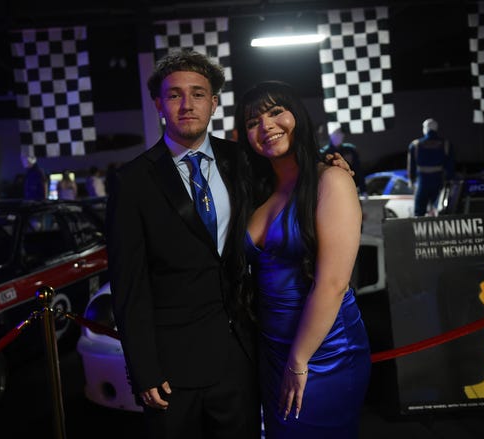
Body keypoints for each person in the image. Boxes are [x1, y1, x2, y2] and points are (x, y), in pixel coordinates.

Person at [105, 49, 352, 439]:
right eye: (174, 95)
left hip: (243, 357)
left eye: (199, 93)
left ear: (214, 103)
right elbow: (128, 283)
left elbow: (293, 178)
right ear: (158, 103)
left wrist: (332, 167)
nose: (187, 104)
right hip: (172, 368)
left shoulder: (243, 159)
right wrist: (143, 367)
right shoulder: (132, 181)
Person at [233, 80, 371, 438]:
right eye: (252, 122)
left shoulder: (332, 180)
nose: (265, 126)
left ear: (299, 116)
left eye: (276, 111)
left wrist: (298, 361)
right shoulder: (258, 188)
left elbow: (333, 282)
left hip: (324, 350)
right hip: (272, 346)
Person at [407, 118, 454, 216]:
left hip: (422, 183)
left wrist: (411, 180)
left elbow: (411, 166)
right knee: (440, 210)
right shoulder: (446, 144)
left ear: (425, 129)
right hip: (438, 182)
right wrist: (450, 179)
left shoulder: (415, 145)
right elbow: (450, 166)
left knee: (419, 212)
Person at [318, 124, 366, 195]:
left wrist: (363, 190)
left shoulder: (350, 150)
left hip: (352, 189)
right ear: (331, 135)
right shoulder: (324, 152)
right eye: (337, 133)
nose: (340, 135)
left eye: (341, 133)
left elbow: (358, 170)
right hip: (331, 191)